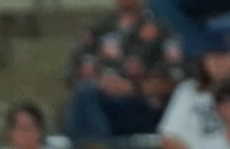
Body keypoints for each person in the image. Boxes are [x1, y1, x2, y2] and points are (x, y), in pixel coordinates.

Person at [64, 0, 183, 141]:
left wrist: (131, 87)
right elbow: (73, 73)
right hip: (98, 102)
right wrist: (102, 83)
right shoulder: (98, 30)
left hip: (141, 106)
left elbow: (175, 81)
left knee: (86, 99)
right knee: (84, 98)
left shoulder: (162, 31)